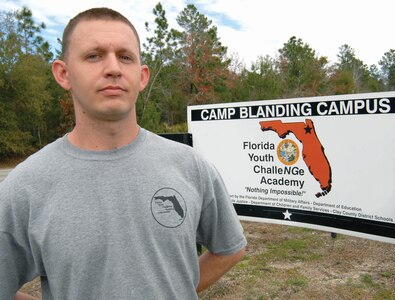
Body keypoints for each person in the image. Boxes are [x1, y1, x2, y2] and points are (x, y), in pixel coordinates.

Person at [0, 7, 247, 300]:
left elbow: (229, 248)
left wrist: (174, 288)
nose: (113, 68)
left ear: (142, 77)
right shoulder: (25, 186)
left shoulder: (189, 165)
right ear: (63, 74)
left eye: (125, 57)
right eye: (94, 55)